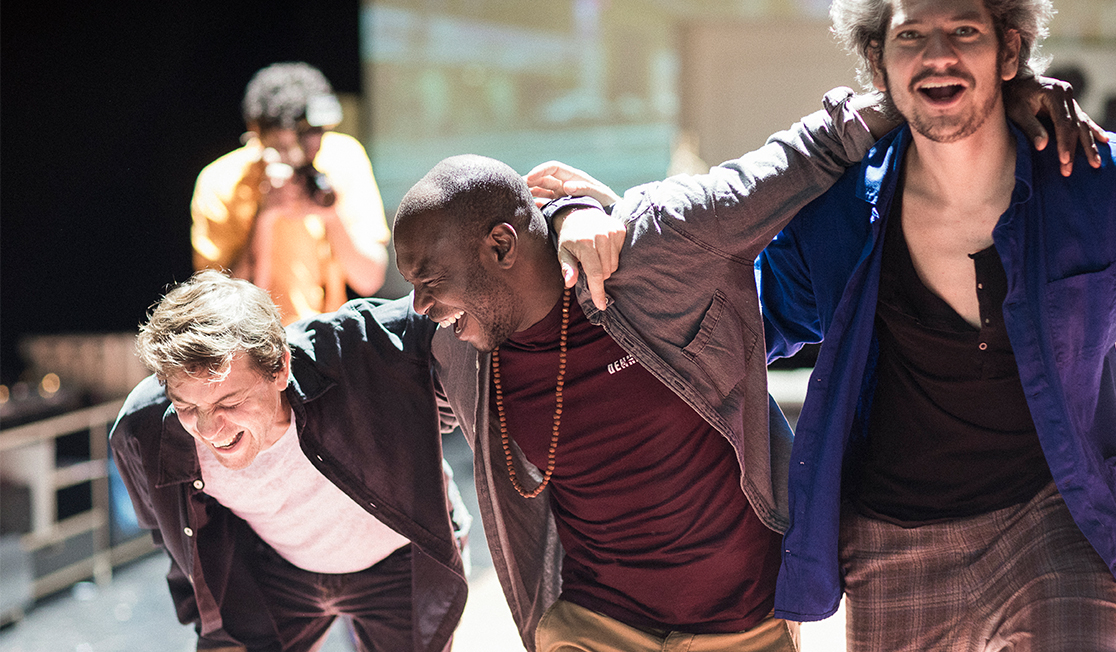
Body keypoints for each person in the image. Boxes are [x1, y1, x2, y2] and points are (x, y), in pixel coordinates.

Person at [392, 80, 886, 652]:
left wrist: (919, 86)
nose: (422, 308)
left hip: (744, 621)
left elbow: (807, 153)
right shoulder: (459, 343)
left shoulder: (656, 245)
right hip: (596, 625)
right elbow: (346, 352)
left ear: (502, 247)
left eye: (429, 282)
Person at [751, 0, 1116, 649]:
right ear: (877, 62)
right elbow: (730, 325)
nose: (938, 54)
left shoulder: (1088, 179)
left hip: (1054, 507)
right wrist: (586, 217)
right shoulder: (834, 214)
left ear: (1009, 52)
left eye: (964, 32)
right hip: (896, 538)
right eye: (912, 36)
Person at [110, 270, 468, 652]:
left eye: (229, 403)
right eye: (187, 407)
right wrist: (211, 623)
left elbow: (456, 320)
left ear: (280, 368)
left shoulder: (360, 354)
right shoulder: (143, 432)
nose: (210, 429)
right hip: (277, 572)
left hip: (400, 559)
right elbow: (168, 532)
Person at [191, 62, 390, 325]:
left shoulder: (344, 157)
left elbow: (369, 280)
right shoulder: (220, 180)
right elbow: (224, 308)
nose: (298, 160)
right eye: (284, 147)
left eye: (309, 146)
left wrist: (331, 216)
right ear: (256, 132)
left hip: (327, 342)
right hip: (253, 343)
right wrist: (265, 217)